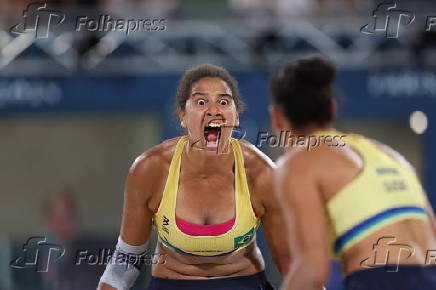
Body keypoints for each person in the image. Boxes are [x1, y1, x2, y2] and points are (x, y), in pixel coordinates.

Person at [98, 64, 290, 290]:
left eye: (223, 102)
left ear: (236, 117)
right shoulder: (150, 169)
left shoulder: (262, 174)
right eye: (201, 102)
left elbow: (291, 263)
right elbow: (126, 262)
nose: (213, 110)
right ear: (183, 116)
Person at [268, 57, 436, 290]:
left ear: (276, 116)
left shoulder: (298, 163)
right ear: (332, 109)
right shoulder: (390, 155)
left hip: (380, 280)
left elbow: (311, 270)